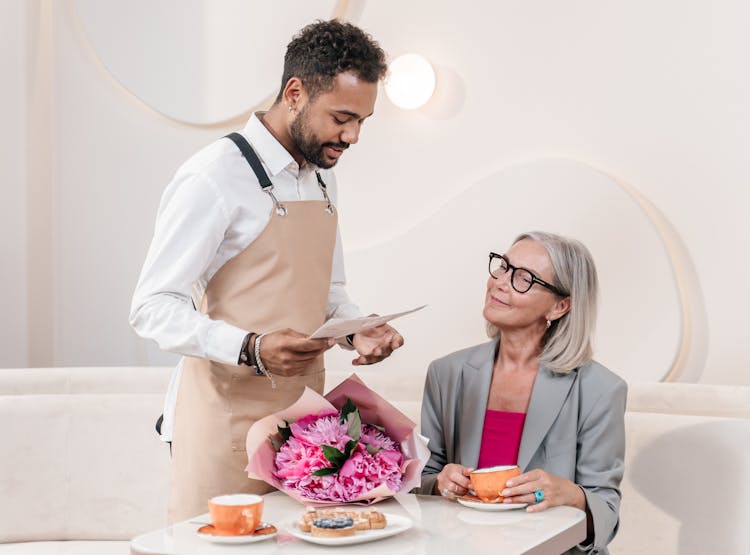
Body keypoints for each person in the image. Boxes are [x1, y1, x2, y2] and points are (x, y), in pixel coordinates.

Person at [129, 19, 403, 523]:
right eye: (342, 117)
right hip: (223, 420)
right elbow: (151, 308)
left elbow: (329, 290)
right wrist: (251, 348)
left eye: (364, 120)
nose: (354, 135)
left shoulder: (321, 180)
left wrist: (358, 330)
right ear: (295, 92)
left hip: (302, 423)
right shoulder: (214, 176)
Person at [418, 231, 626, 554]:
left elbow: (606, 516)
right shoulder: (446, 374)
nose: (500, 282)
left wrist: (570, 494)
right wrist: (440, 482)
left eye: (524, 279)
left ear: (560, 306)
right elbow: (423, 481)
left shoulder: (599, 390)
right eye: (503, 267)